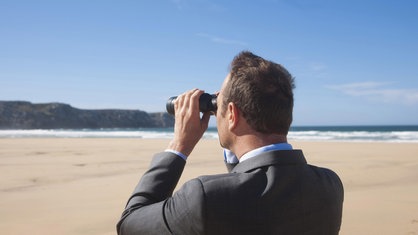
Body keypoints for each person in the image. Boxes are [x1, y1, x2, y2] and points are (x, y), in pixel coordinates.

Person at [117, 51, 344, 235]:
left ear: (232, 114)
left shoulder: (205, 198)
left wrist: (179, 146)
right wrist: (232, 134)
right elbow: (253, 183)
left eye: (220, 104)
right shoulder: (330, 184)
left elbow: (129, 224)